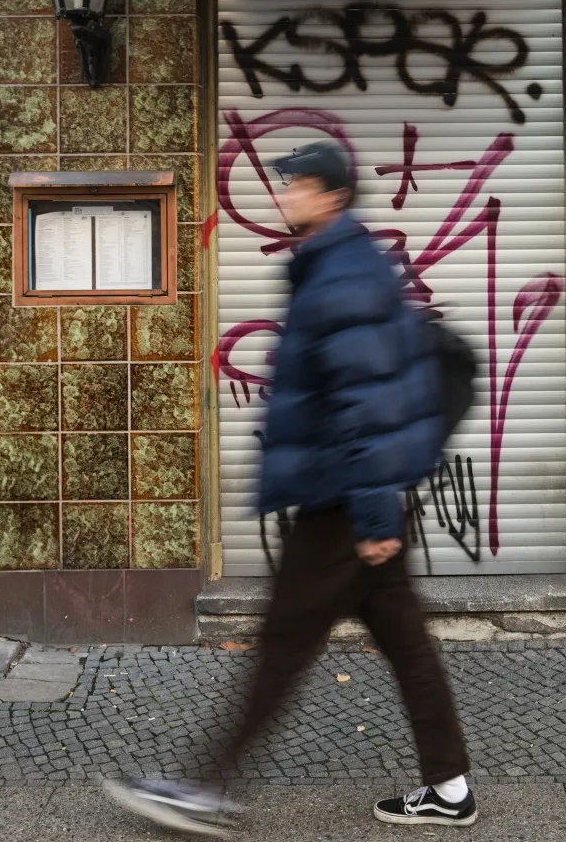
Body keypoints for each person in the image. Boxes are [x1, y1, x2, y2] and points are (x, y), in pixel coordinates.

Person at [107, 141, 476, 835]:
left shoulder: (341, 274)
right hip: (356, 496)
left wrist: (371, 514)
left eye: (298, 184)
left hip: (343, 504)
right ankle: (450, 786)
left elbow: (363, 401)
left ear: (330, 195)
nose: (284, 195)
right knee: (406, 641)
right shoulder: (340, 264)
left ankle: (205, 787)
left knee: (282, 644)